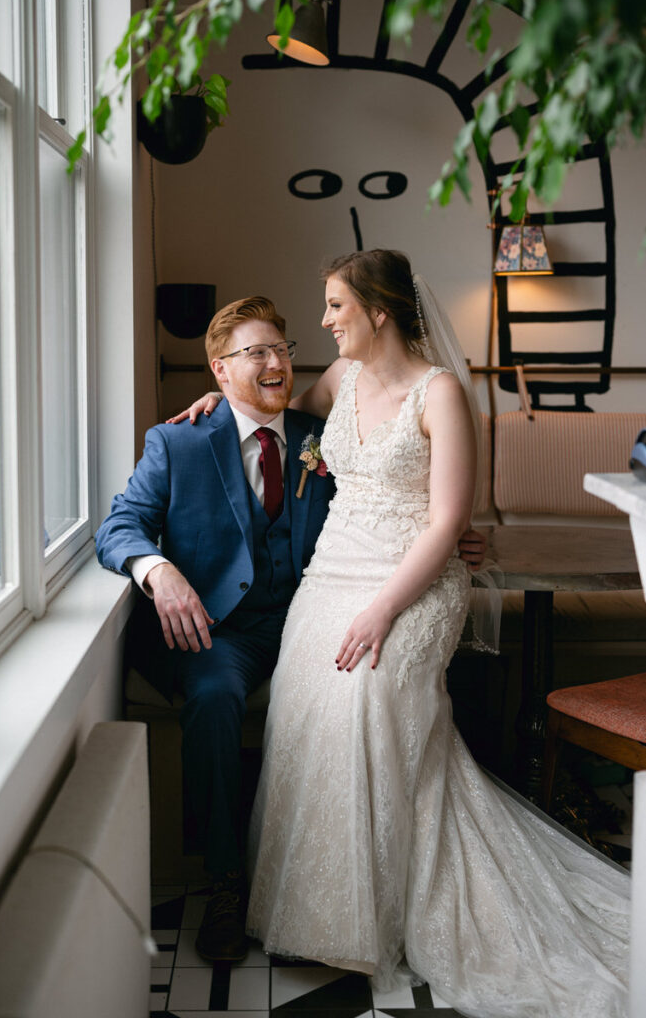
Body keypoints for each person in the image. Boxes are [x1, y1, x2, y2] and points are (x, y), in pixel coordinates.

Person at [183, 251, 629, 1017]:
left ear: (377, 312)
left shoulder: (441, 392)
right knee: (306, 704)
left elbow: (448, 518)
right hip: (329, 578)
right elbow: (277, 410)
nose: (320, 324)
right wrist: (213, 396)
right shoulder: (340, 380)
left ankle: (394, 907)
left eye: (334, 308)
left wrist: (385, 607)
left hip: (413, 583)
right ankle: (312, 910)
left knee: (367, 699)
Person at [95, 292, 489, 965]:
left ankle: (365, 873)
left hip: (311, 613)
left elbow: (386, 497)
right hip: (220, 633)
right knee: (215, 696)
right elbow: (118, 525)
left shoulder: (318, 439)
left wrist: (454, 536)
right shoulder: (179, 440)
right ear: (219, 372)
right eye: (257, 354)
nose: (276, 363)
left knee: (387, 675)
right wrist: (159, 572)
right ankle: (225, 881)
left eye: (281, 349)